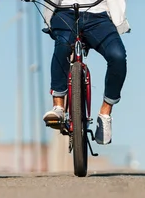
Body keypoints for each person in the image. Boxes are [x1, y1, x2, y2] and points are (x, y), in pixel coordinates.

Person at [42, 0, 129, 145]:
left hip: (98, 16)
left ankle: (105, 114)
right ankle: (58, 107)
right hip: (64, 12)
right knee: (62, 46)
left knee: (118, 56)